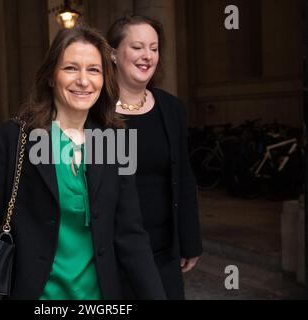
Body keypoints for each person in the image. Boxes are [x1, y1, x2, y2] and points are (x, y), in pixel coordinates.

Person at [0, 25, 166, 300]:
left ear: (104, 79)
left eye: (93, 70)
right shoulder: (12, 140)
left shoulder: (115, 141)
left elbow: (131, 236)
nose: (83, 80)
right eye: (70, 68)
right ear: (51, 76)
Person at [107, 15, 203, 299]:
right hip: (112, 253)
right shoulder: (95, 111)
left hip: (164, 251)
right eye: (137, 47)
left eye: (154, 47)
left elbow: (183, 176)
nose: (147, 56)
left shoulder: (171, 108)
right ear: (113, 54)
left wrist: (190, 240)